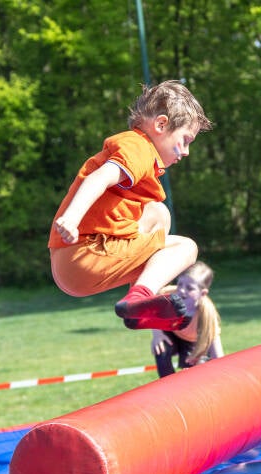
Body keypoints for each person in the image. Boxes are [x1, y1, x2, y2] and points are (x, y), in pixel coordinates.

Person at [49, 80, 213, 331]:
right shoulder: (138, 148)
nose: (187, 151)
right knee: (186, 247)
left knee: (158, 214)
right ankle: (140, 296)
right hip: (81, 254)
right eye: (186, 140)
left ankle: (138, 304)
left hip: (74, 263)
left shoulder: (143, 160)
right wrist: (72, 217)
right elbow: (99, 177)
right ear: (160, 125)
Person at [150, 261, 224, 377]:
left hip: (193, 341)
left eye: (189, 288)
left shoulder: (207, 313)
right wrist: (157, 335)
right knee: (161, 348)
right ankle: (167, 384)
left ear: (203, 293)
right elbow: (152, 308)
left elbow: (216, 351)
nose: (182, 290)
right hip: (172, 335)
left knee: (193, 371)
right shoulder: (168, 294)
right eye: (180, 284)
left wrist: (202, 357)